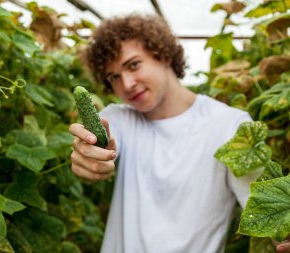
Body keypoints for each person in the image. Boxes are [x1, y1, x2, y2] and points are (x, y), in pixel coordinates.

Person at [69, 14, 290, 253]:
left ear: (163, 54)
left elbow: (267, 210)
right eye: (114, 77)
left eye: (133, 65)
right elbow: (106, 141)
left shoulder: (228, 124)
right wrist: (91, 154)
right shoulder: (119, 118)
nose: (128, 83)